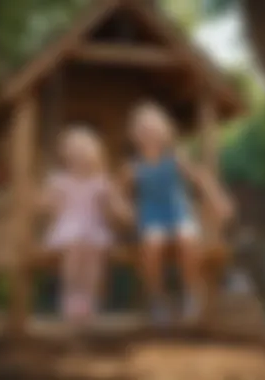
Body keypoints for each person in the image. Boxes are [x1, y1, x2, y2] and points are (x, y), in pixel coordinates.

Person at [121, 101, 233, 324]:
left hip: (178, 211)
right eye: (144, 131)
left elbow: (200, 178)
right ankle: (157, 296)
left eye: (154, 130)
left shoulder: (176, 158)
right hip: (151, 214)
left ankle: (191, 290)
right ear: (134, 135)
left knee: (187, 239)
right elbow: (117, 193)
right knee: (152, 244)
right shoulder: (133, 167)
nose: (149, 135)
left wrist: (217, 199)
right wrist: (124, 210)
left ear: (165, 132)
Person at [40, 126, 131, 325]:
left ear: (94, 156)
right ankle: (70, 296)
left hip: (93, 227)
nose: (81, 160)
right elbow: (44, 204)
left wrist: (121, 209)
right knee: (75, 249)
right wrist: (48, 201)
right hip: (68, 226)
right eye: (76, 155)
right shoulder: (59, 181)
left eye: (85, 154)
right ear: (67, 157)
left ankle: (90, 299)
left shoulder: (101, 182)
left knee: (95, 253)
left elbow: (117, 206)